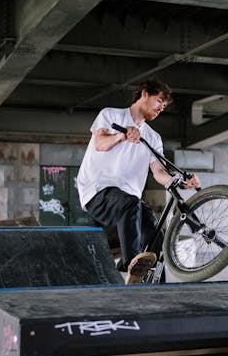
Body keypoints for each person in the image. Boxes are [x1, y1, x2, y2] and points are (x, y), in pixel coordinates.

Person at [76, 80, 200, 283]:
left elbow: (159, 172)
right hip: (97, 190)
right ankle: (130, 262)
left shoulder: (153, 137)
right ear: (144, 94)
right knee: (130, 203)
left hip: (129, 200)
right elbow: (99, 143)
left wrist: (180, 182)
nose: (161, 108)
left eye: (164, 106)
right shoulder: (111, 115)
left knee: (155, 234)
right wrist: (122, 136)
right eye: (159, 101)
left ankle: (156, 288)